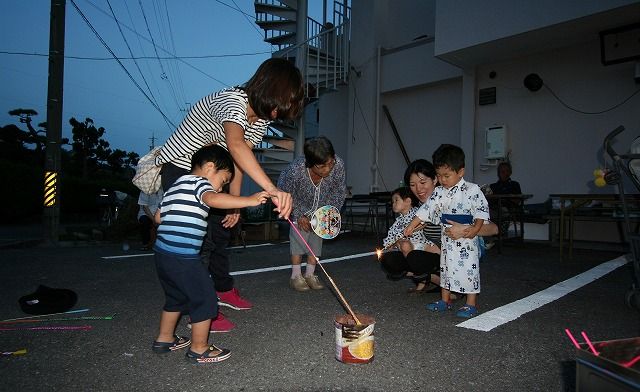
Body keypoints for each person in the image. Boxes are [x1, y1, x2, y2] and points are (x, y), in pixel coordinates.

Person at [155, 58, 304, 331]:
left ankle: (223, 290)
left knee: (221, 234)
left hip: (216, 177)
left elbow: (237, 162)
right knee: (200, 242)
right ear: (267, 88)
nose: (275, 115)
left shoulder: (258, 120)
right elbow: (235, 145)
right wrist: (272, 189)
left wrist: (235, 205)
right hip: (181, 170)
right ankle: (202, 309)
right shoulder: (232, 100)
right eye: (276, 106)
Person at [152, 144, 269, 364]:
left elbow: (158, 217)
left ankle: (165, 339)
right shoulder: (200, 184)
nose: (221, 188)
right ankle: (199, 349)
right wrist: (249, 200)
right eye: (223, 181)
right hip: (185, 257)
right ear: (209, 168)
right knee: (205, 299)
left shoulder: (176, 185)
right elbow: (213, 200)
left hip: (162, 255)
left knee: (175, 298)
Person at [404, 144, 490, 318]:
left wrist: (475, 229)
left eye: (447, 175)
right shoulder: (439, 193)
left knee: (469, 270)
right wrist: (412, 225)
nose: (442, 180)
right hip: (447, 238)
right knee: (446, 268)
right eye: (440, 175)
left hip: (466, 239)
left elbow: (481, 210)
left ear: (461, 172)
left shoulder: (472, 190)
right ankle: (445, 299)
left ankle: (470, 303)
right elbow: (426, 210)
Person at [277, 136, 346, 292]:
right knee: (298, 241)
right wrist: (298, 214)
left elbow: (339, 192)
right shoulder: (295, 170)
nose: (327, 169)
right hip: (299, 208)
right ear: (310, 163)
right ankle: (295, 276)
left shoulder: (338, 165)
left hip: (322, 209)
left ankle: (310, 274)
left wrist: (328, 213)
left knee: (316, 243)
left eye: (330, 163)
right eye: (322, 166)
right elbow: (283, 192)